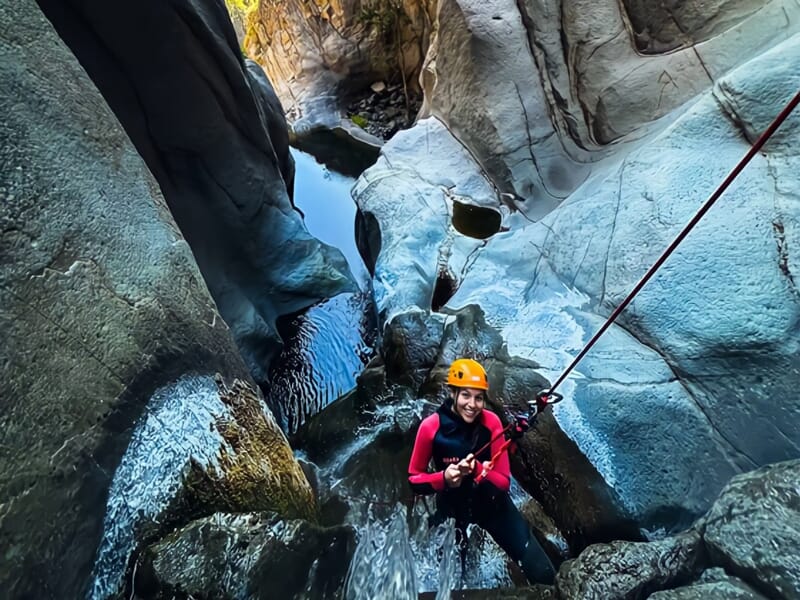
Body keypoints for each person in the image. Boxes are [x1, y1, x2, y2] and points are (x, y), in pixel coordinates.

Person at [408, 358, 555, 584]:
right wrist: (444, 478)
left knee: (544, 574)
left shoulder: (492, 423)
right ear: (453, 393)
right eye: (466, 395)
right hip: (452, 510)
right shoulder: (431, 427)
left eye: (479, 398)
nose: (472, 404)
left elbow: (504, 483)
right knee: (451, 583)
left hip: (493, 507)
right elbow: (414, 479)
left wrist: (477, 469)